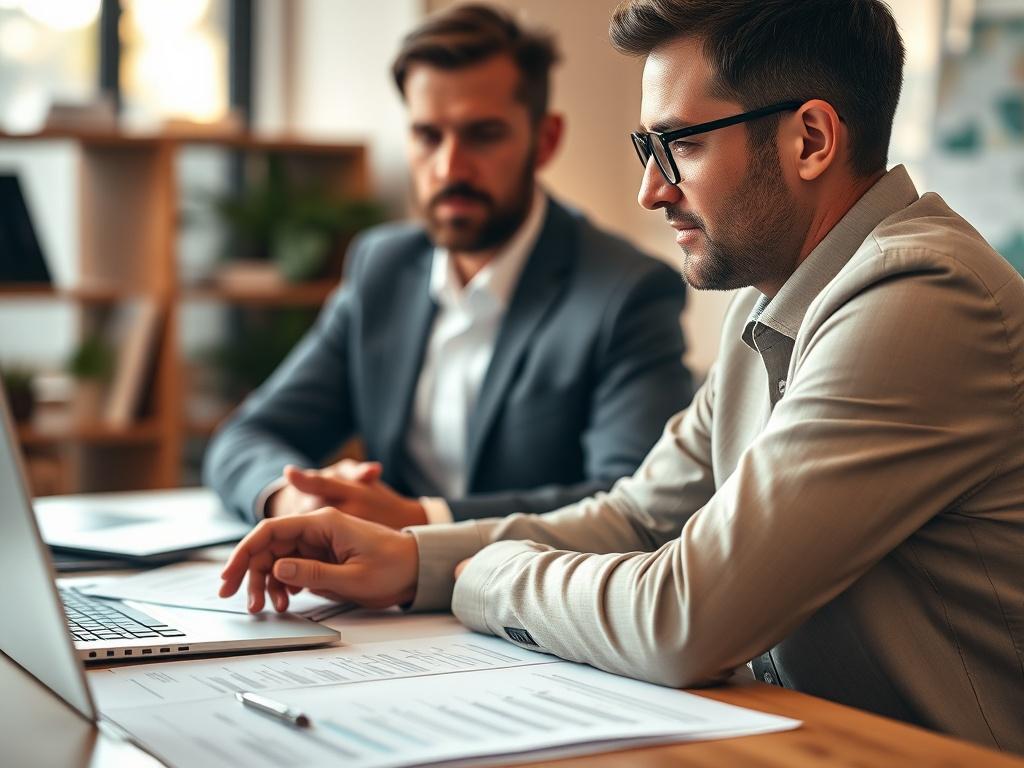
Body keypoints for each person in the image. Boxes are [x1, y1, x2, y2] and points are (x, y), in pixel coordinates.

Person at [218, 0, 1024, 753]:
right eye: (647, 149)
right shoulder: (776, 300)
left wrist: (480, 575)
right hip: (810, 741)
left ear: (811, 140)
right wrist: (408, 558)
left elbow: (686, 616)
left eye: (682, 144)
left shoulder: (922, 297)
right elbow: (639, 517)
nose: (650, 189)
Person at [204, 4, 693, 528]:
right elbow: (245, 437)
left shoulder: (628, 292)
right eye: (428, 135)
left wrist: (419, 521)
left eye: (482, 135)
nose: (449, 167)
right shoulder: (382, 268)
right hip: (377, 603)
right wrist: (295, 499)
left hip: (527, 598)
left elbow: (632, 505)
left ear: (544, 140)